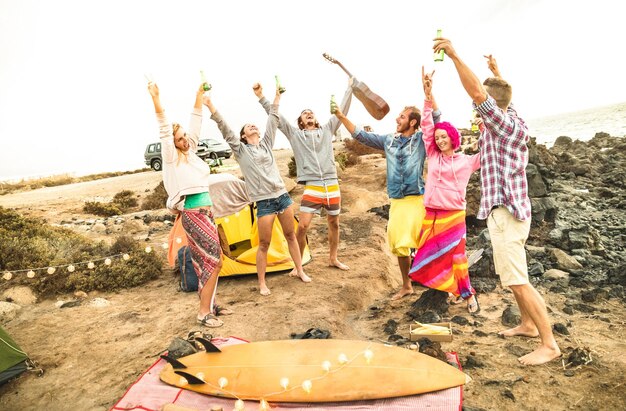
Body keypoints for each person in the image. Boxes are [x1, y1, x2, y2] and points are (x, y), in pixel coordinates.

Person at [433, 38, 561, 365]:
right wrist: (497, 73)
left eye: (483, 104)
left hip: (508, 213)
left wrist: (455, 54)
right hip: (502, 211)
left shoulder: (503, 125)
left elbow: (478, 94)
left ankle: (549, 344)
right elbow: (502, 98)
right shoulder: (509, 116)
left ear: (492, 104)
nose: (476, 110)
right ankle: (529, 325)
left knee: (517, 278)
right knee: (511, 276)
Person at [204, 83, 311, 296]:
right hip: (264, 202)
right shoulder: (240, 150)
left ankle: (299, 270)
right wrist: (210, 106)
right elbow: (224, 128)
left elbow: (273, 119)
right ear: (243, 135)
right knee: (264, 243)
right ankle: (262, 283)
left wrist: (274, 96)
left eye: (255, 125)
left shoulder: (265, 144)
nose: (253, 127)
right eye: (249, 126)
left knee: (290, 235)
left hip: (282, 196)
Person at [333, 90, 441, 300]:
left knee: (425, 242)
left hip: (417, 198)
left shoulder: (421, 140)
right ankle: (406, 285)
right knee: (399, 243)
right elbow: (361, 136)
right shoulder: (389, 140)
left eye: (402, 116)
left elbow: (435, 120)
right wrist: (340, 116)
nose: (396, 119)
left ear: (412, 122)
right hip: (398, 201)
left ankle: (433, 279)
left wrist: (428, 93)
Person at [147, 82, 231, 328]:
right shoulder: (172, 158)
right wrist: (156, 98)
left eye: (184, 137)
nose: (185, 140)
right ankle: (203, 313)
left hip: (207, 212)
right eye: (180, 139)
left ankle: (211, 304)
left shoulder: (191, 152)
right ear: (172, 144)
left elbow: (196, 122)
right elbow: (164, 128)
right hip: (193, 214)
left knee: (212, 260)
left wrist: (198, 96)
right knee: (212, 261)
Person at [255, 79, 354, 272]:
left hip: (332, 184)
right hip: (313, 186)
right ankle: (298, 264)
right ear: (301, 122)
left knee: (334, 222)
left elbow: (342, 110)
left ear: (315, 119)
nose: (308, 114)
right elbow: (277, 117)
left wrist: (350, 88)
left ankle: (333, 258)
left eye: (311, 113)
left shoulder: (327, 129)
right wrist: (261, 97)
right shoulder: (295, 134)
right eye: (304, 114)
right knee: (302, 227)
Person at [408, 67, 480, 314]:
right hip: (432, 214)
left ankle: (468, 295)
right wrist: (427, 96)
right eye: (436, 137)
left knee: (458, 257)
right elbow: (427, 126)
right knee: (428, 253)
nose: (438, 140)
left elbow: (489, 151)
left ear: (452, 137)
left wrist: (485, 128)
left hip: (454, 215)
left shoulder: (466, 161)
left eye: (443, 137)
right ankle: (450, 289)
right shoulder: (433, 155)